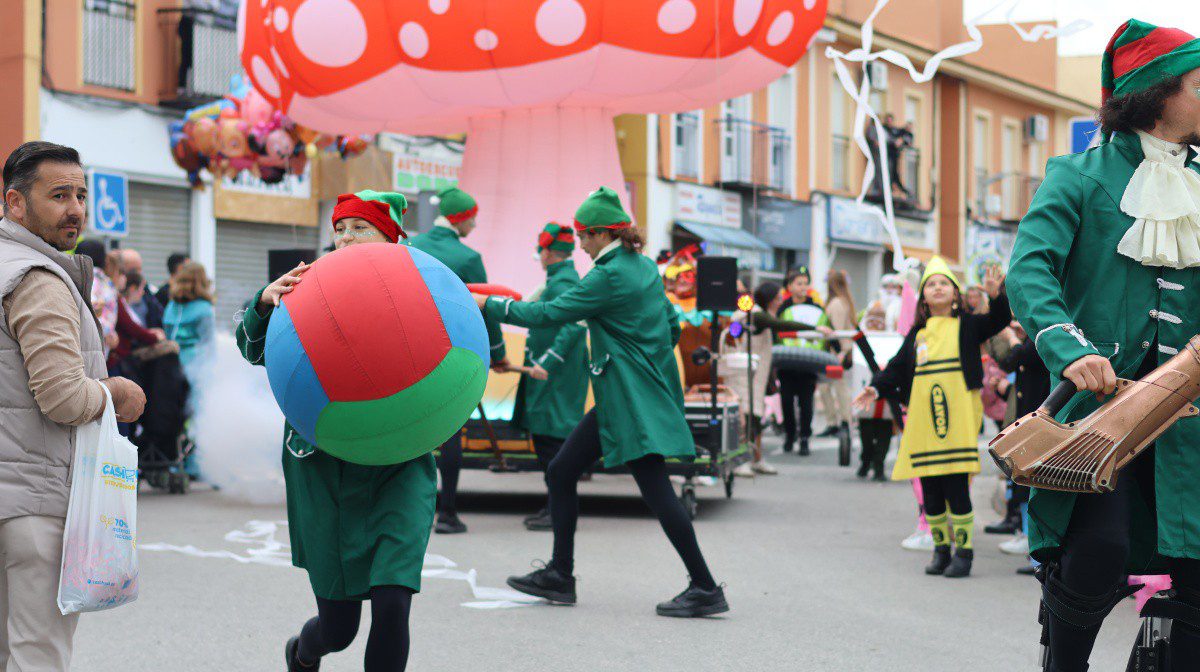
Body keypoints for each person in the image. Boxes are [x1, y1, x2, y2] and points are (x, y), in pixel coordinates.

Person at [1006, 21, 1200, 669]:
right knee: (1101, 549)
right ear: (1158, 92)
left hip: (1190, 419)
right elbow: (1030, 269)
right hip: (1101, 412)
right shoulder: (1079, 175)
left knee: (1193, 565)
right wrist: (1068, 346)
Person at [474, 187, 727, 617]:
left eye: (582, 236)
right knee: (561, 471)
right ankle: (559, 574)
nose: (580, 244)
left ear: (598, 233)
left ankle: (704, 586)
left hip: (627, 398)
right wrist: (643, 358)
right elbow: (670, 326)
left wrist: (487, 303)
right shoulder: (644, 266)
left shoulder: (607, 275)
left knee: (656, 491)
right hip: (629, 394)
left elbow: (547, 314)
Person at [237, 190, 434, 672]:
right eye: (339, 229)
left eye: (359, 228)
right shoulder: (307, 284)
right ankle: (303, 654)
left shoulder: (419, 284)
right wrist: (263, 304)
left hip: (398, 461)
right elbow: (254, 350)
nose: (344, 238)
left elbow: (450, 343)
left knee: (392, 601)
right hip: (324, 464)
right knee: (339, 628)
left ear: (389, 237)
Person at [0, 141, 146, 671]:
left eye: (81, 194)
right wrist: (120, 393)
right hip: (34, 504)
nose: (75, 208)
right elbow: (63, 397)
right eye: (58, 195)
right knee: (37, 658)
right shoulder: (36, 279)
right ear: (16, 203)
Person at [854, 258, 1009, 578]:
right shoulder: (918, 332)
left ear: (955, 293)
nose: (937, 288)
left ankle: (963, 554)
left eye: (944, 283)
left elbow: (998, 319)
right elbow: (896, 367)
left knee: (956, 487)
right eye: (931, 284)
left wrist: (997, 297)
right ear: (923, 297)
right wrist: (875, 388)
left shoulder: (968, 324)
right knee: (931, 490)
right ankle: (940, 551)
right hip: (925, 420)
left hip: (959, 418)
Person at [405, 186, 507, 535]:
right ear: (461, 218)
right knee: (450, 432)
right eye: (473, 218)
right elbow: (486, 309)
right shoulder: (468, 258)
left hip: (406, 350)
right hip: (453, 353)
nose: (475, 225)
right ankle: (447, 512)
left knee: (405, 426)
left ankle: (404, 506)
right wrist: (498, 353)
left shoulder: (409, 246)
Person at [514, 223, 588, 531]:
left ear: (547, 252)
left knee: (552, 441)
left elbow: (574, 325)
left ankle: (558, 508)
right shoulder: (560, 280)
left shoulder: (564, 282)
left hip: (556, 374)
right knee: (548, 438)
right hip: (551, 372)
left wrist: (548, 360)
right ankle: (554, 505)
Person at [728, 280, 817, 477]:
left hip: (756, 374)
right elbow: (780, 325)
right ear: (769, 299)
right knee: (747, 417)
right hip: (743, 374)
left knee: (756, 417)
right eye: (777, 298)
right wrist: (815, 328)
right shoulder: (755, 314)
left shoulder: (760, 314)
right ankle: (741, 460)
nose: (780, 301)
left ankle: (756, 458)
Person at [776, 266, 825, 455]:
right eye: (799, 283)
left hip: (808, 365)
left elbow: (825, 330)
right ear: (789, 286)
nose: (803, 287)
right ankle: (789, 435)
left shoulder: (816, 308)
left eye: (806, 283)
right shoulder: (783, 308)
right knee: (787, 402)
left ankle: (804, 437)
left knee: (806, 403)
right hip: (787, 364)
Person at [163, 260, 215, 381]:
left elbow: (168, 335)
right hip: (195, 369)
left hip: (169, 367)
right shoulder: (204, 308)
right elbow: (208, 345)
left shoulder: (171, 305)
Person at [822, 269, 857, 446]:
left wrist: (841, 352)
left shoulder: (836, 303)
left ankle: (839, 421)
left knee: (831, 387)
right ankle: (842, 420)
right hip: (842, 351)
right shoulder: (845, 301)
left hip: (837, 352)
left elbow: (835, 330)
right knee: (835, 387)